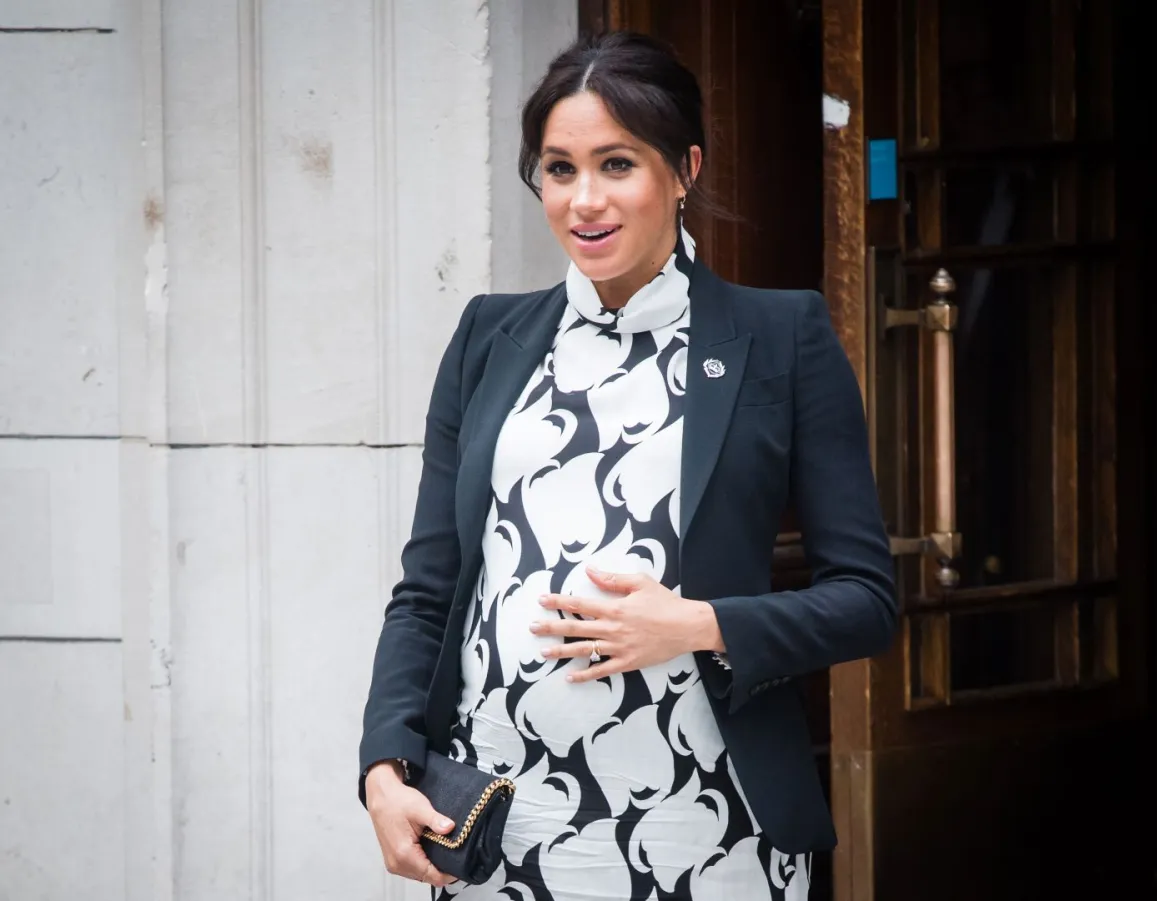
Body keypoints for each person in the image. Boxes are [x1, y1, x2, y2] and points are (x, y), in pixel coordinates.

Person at [359, 31, 896, 901]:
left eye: (617, 164)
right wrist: (384, 766)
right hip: (500, 822)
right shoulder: (487, 339)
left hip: (708, 822)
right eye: (559, 169)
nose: (584, 201)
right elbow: (429, 588)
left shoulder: (780, 337)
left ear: (684, 170)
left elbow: (866, 602)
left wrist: (697, 624)